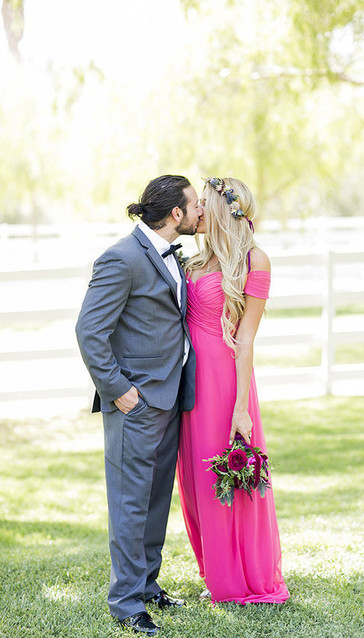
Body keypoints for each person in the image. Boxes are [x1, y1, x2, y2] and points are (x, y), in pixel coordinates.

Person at [76, 175, 202, 636]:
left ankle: (147, 586)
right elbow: (90, 331)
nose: (200, 212)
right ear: (175, 213)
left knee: (155, 500)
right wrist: (118, 390)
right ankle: (126, 603)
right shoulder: (122, 257)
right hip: (136, 404)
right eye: (195, 206)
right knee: (130, 504)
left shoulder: (172, 254)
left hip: (170, 397)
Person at [176, 177, 290, 604]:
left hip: (227, 384)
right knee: (198, 478)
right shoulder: (195, 259)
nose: (197, 211)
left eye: (204, 203)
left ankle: (243, 578)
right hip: (191, 383)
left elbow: (245, 341)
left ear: (225, 209)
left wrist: (241, 409)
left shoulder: (254, 260)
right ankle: (216, 569)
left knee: (231, 476)